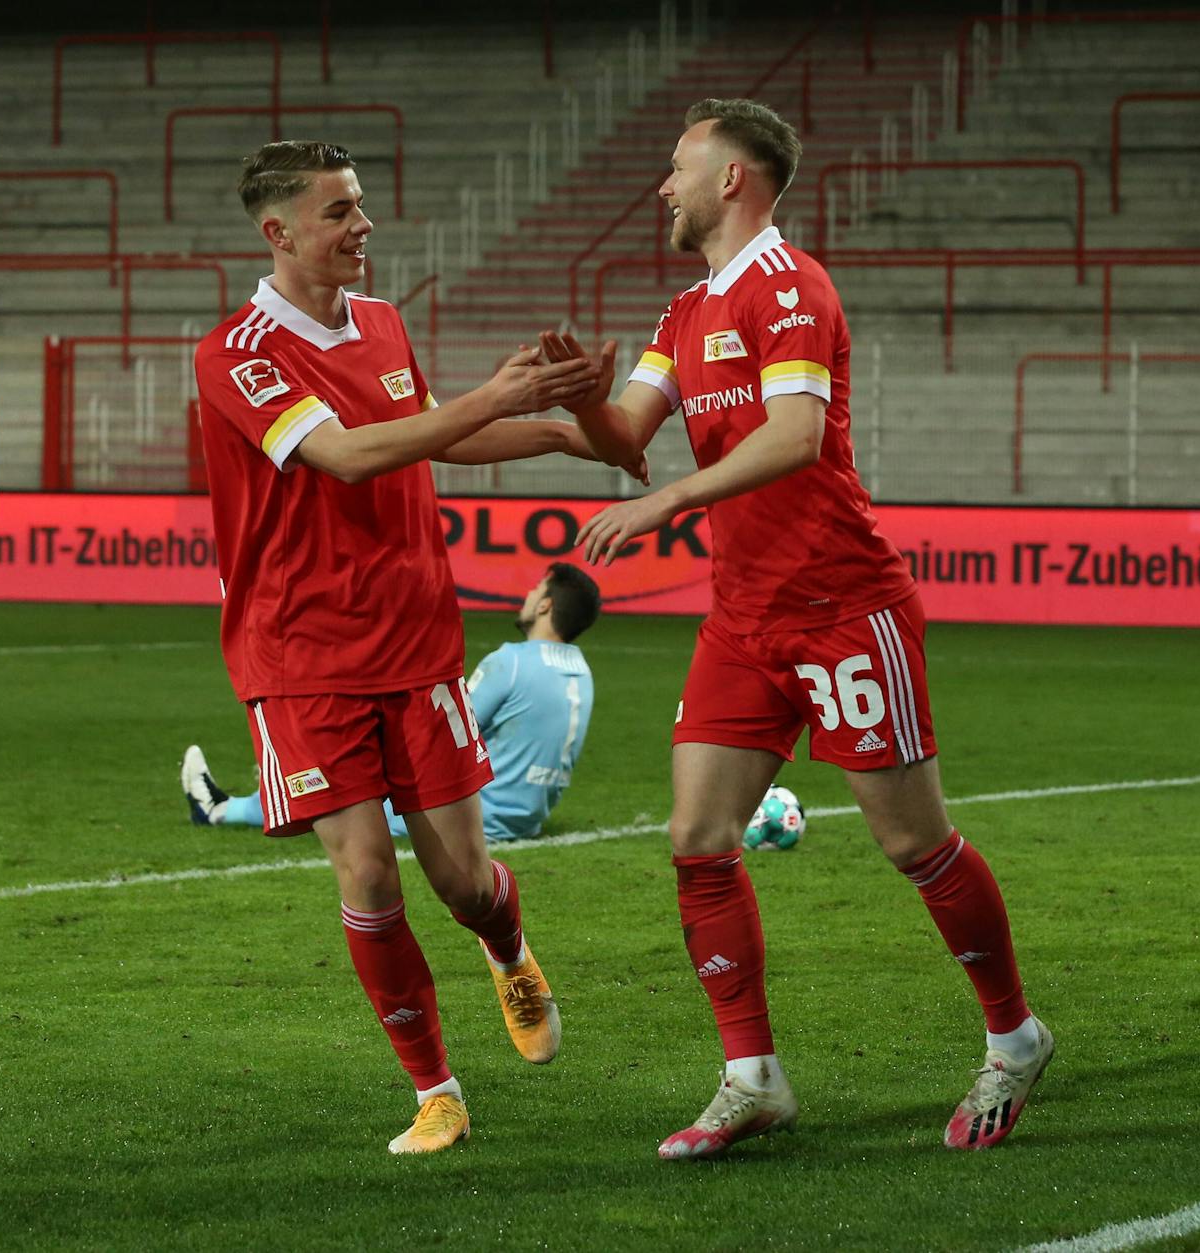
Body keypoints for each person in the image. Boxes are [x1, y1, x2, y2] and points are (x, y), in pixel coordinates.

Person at [544, 99, 1053, 1159]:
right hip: (744, 617)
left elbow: (793, 435)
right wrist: (575, 398)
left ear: (732, 177)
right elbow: (625, 436)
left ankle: (1013, 1034)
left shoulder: (791, 286)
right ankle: (752, 1076)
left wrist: (665, 503)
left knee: (911, 840)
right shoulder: (684, 314)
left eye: (678, 165)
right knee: (697, 838)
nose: (662, 186)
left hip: (841, 606)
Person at [194, 140, 613, 1154]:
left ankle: (507, 948)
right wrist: (496, 396)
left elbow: (425, 430)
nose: (361, 226)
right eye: (337, 211)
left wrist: (557, 431)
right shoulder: (235, 352)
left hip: (416, 640)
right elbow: (343, 455)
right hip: (299, 653)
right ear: (277, 232)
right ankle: (436, 1089)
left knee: (463, 880)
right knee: (368, 876)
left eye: (361, 205)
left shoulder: (380, 323)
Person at [184, 562, 602, 842]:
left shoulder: (511, 661)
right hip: (527, 817)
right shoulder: (582, 670)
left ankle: (220, 810)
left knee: (332, 785)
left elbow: (449, 733)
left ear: (546, 605)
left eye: (536, 590)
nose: (528, 594)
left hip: (475, 816)